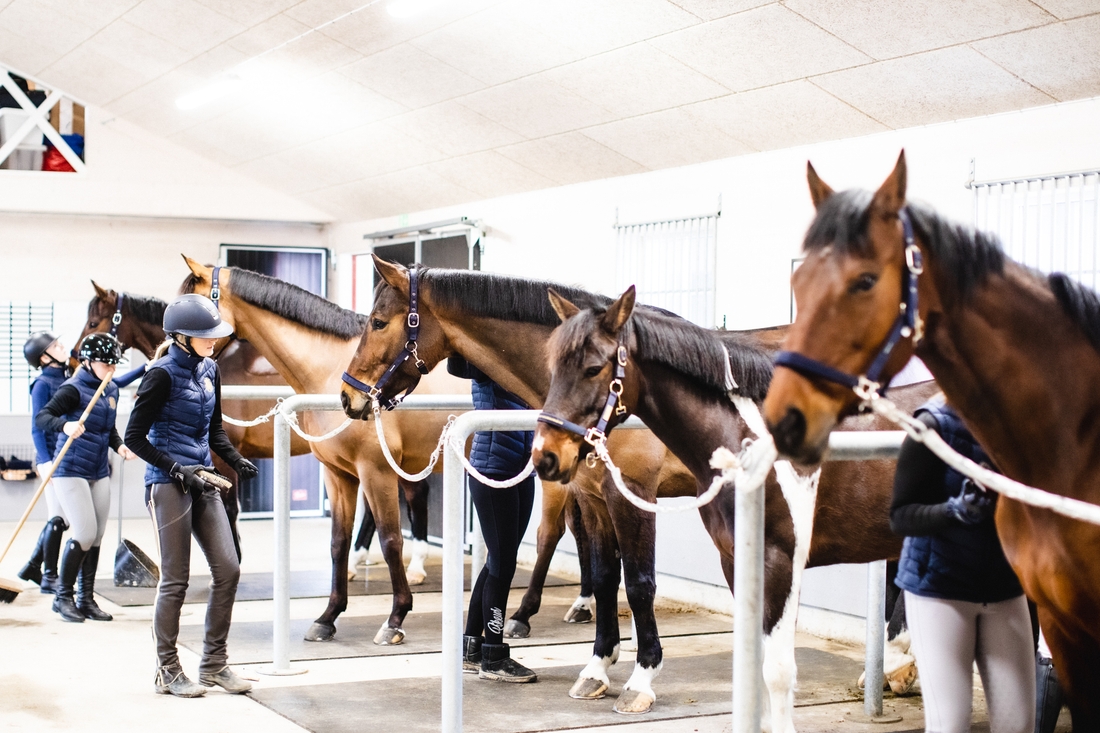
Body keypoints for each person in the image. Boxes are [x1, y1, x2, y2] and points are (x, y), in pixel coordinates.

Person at [124, 294, 258, 698]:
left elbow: (213, 430)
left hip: (204, 477)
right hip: (167, 483)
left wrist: (235, 459)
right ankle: (167, 670)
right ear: (180, 337)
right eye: (205, 336)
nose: (213, 341)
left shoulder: (209, 369)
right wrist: (176, 469)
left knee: (228, 569)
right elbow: (134, 438)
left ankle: (214, 665)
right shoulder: (160, 374)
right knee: (176, 580)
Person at [890, 394, 1035, 733]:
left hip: (1004, 587)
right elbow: (900, 516)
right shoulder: (932, 425)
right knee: (949, 724)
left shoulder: (1022, 419)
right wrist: (955, 510)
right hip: (940, 589)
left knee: (1020, 725)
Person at [34, 333, 138, 622]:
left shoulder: (111, 389)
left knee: (97, 536)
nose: (112, 370)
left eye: (114, 364)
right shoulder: (73, 389)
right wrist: (64, 425)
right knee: (83, 532)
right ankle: (62, 597)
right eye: (107, 364)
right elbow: (42, 418)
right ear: (89, 362)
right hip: (70, 470)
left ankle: (86, 599)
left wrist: (119, 446)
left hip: (98, 470)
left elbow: (108, 429)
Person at [449, 355, 538, 683]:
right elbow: (457, 365)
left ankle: (472, 648)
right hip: (491, 471)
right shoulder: (488, 357)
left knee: (500, 562)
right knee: (502, 564)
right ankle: (494, 655)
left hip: (521, 469)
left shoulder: (523, 359)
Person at [19, 332, 71, 594]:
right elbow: (37, 428)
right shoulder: (41, 385)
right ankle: (49, 575)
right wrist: (46, 461)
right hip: (51, 458)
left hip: (65, 456)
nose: (63, 348)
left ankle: (32, 566)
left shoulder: (66, 378)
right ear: (44, 356)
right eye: (56, 346)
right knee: (59, 518)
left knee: (60, 517)